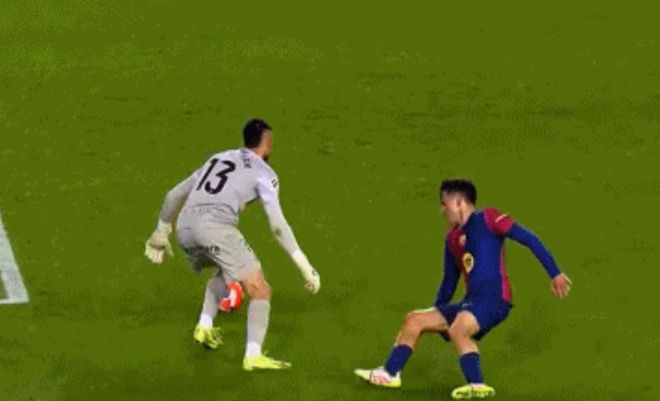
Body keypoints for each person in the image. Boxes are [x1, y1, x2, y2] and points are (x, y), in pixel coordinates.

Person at [355, 178, 571, 399]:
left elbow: (529, 239)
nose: (442, 210)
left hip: (495, 299)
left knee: (459, 329)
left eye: (444, 203)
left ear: (459, 202)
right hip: (471, 303)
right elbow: (449, 282)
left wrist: (554, 273)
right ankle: (390, 373)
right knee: (414, 320)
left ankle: (477, 386)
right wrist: (437, 313)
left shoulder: (488, 218)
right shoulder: (452, 239)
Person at [144, 118, 320, 371]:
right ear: (267, 143)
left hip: (185, 228)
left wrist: (161, 231)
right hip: (214, 229)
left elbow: (174, 195)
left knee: (227, 268)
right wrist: (304, 266)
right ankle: (253, 355)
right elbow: (278, 226)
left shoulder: (219, 158)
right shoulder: (264, 173)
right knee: (260, 289)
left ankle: (204, 326)